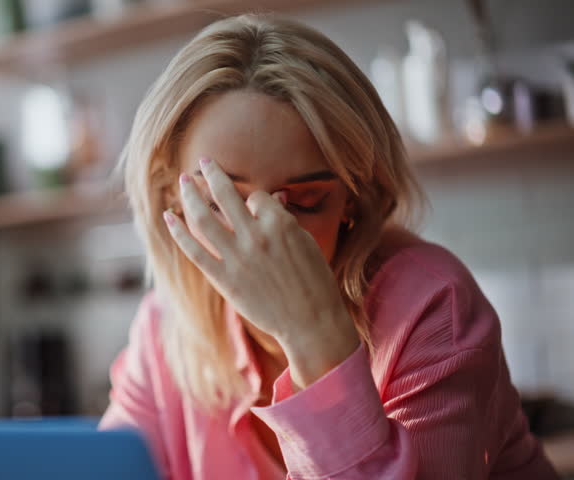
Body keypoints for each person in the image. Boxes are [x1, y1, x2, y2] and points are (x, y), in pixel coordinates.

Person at [97, 13, 559, 480]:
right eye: (225, 200)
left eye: (305, 200)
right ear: (172, 195)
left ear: (353, 201)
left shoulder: (433, 308)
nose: (264, 236)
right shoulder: (165, 328)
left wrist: (310, 335)